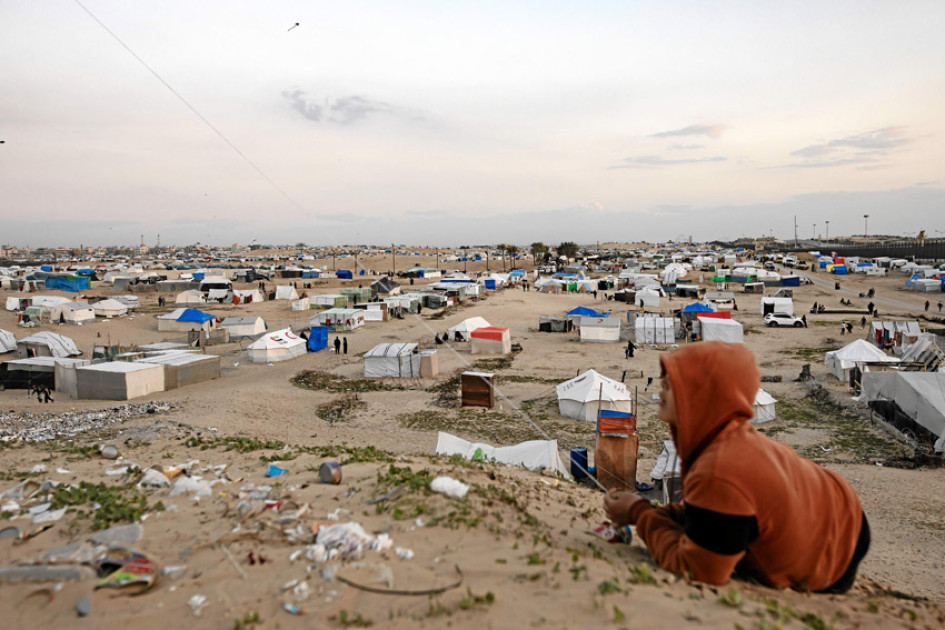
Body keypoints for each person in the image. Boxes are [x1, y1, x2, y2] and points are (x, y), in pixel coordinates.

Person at [603, 342, 869, 592]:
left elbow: (697, 569)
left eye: (671, 385)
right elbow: (708, 515)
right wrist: (653, 512)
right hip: (836, 504)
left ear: (700, 397)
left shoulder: (719, 468)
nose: (660, 389)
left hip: (838, 548)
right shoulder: (729, 442)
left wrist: (639, 513)